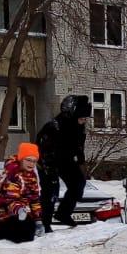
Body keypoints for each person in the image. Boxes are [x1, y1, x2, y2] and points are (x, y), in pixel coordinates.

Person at [35, 95, 90, 229]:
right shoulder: (53, 127)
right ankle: (46, 225)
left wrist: (80, 161)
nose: (84, 122)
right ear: (71, 115)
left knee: (78, 183)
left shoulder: (78, 128)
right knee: (51, 192)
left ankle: (63, 214)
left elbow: (78, 146)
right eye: (82, 119)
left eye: (85, 119)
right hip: (47, 162)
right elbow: (41, 149)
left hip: (66, 160)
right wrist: (49, 169)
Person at [0, 142, 43, 243]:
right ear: (21, 159)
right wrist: (19, 210)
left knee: (29, 230)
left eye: (34, 161)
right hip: (5, 216)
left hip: (21, 214)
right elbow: (10, 199)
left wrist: (38, 220)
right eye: (28, 160)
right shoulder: (13, 174)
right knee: (23, 233)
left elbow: (34, 199)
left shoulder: (31, 176)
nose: (31, 164)